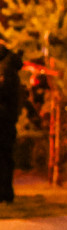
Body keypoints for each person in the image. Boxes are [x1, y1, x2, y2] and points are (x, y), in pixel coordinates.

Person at [0, 44, 24, 204]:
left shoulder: (6, 69)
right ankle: (6, 193)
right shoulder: (9, 68)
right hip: (7, 120)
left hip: (3, 120)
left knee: (3, 157)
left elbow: (3, 92)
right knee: (6, 157)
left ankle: (4, 193)